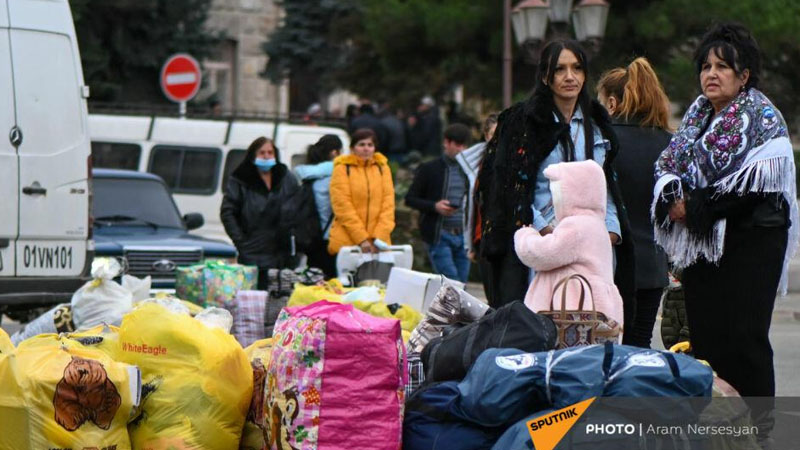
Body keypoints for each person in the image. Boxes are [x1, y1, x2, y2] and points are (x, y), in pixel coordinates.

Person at [653, 23, 798, 400]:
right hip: (704, 247)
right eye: (706, 66)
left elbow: (756, 185)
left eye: (722, 67)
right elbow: (670, 165)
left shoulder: (764, 118)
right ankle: (720, 424)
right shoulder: (695, 117)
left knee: (744, 342)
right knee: (706, 341)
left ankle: (758, 426)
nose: (711, 74)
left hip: (752, 245)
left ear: (744, 75)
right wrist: (673, 197)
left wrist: (695, 205)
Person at [479, 39, 635, 315]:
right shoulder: (522, 122)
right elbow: (508, 188)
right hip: (540, 245)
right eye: (560, 69)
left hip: (592, 250)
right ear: (545, 76)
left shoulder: (597, 125)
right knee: (537, 325)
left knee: (590, 327)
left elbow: (606, 187)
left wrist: (609, 232)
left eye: (577, 68)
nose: (569, 76)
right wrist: (545, 233)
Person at [597, 57, 673, 348]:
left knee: (604, 348)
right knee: (640, 345)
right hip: (652, 265)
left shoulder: (603, 143)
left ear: (612, 103)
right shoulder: (667, 142)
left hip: (610, 263)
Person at [220, 137, 300, 290]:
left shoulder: (286, 177)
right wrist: (241, 241)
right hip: (253, 250)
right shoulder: (240, 179)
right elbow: (228, 212)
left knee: (280, 295)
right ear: (253, 155)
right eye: (262, 153)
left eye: (270, 152)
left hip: (282, 252)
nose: (266, 156)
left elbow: (297, 207)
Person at [406, 123, 473, 283]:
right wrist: (434, 206)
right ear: (446, 143)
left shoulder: (470, 170)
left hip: (464, 236)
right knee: (451, 282)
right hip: (439, 234)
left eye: (464, 145)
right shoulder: (430, 169)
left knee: (461, 283)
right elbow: (410, 198)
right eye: (457, 144)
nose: (461, 149)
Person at [328, 128, 396, 256]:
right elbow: (342, 206)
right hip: (348, 242)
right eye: (361, 144)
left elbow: (388, 205)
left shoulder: (382, 168)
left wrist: (379, 238)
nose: (366, 149)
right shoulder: (342, 169)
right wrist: (361, 239)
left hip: (378, 244)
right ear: (352, 148)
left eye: (370, 145)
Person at [456, 113, 499, 297]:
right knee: (491, 293)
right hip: (482, 237)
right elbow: (470, 206)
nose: (498, 139)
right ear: (486, 135)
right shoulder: (474, 165)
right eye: (494, 134)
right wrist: (470, 245)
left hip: (508, 238)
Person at [294, 134, 343, 278]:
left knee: (314, 281)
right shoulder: (335, 173)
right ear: (334, 153)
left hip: (311, 236)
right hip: (331, 238)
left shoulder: (310, 177)